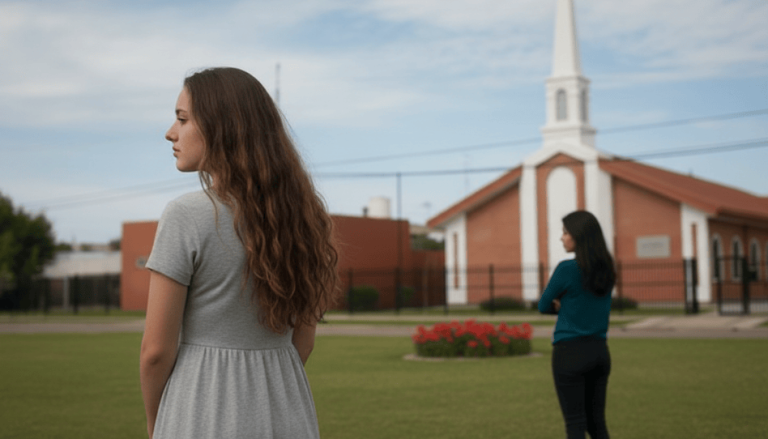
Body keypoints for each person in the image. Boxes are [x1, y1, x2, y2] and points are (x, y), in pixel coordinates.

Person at [140, 67, 339, 439]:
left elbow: (155, 351)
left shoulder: (186, 215)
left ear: (222, 128)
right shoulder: (304, 218)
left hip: (200, 410)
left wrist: (157, 422)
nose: (171, 132)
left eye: (182, 119)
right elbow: (304, 342)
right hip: (288, 409)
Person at [538, 210, 616, 439]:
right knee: (597, 424)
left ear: (578, 237)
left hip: (569, 352)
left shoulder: (566, 269)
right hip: (600, 353)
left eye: (565, 233)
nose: (562, 238)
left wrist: (560, 306)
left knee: (574, 424)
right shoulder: (607, 270)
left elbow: (543, 305)